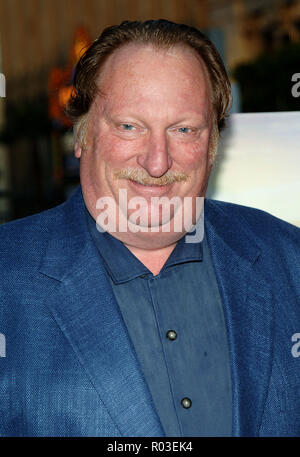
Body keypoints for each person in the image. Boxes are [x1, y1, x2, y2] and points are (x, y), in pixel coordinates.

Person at [0, 19, 299, 438]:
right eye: (129, 126)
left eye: (183, 130)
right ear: (82, 134)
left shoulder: (291, 261)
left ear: (212, 145)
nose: (157, 162)